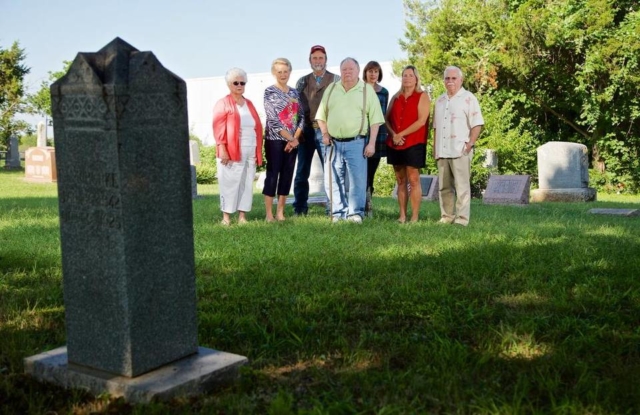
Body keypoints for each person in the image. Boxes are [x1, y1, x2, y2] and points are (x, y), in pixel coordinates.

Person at [315, 57, 385, 223]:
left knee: (358, 180)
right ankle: (337, 213)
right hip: (333, 143)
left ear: (358, 71)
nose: (347, 73)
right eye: (344, 70)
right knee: (332, 180)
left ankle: (355, 214)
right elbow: (321, 116)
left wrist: (372, 143)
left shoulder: (367, 91)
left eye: (350, 69)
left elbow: (375, 120)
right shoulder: (331, 89)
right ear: (340, 72)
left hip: (357, 142)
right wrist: (324, 134)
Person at [433, 65, 484, 226]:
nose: (450, 81)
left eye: (454, 78)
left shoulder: (469, 98)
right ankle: (447, 216)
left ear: (461, 80)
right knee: (444, 188)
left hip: (460, 150)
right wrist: (435, 150)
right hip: (442, 151)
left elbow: (477, 124)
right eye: (447, 78)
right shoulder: (440, 100)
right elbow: (435, 127)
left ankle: (462, 219)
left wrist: (470, 144)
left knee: (462, 187)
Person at [292, 45, 340, 216]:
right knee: (301, 171)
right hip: (306, 132)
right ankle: (299, 208)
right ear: (310, 61)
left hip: (325, 132)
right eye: (315, 58)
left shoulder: (336, 80)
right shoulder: (302, 81)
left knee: (330, 171)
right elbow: (295, 109)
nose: (318, 61)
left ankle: (332, 207)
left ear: (326, 60)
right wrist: (295, 133)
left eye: (321, 58)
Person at [212, 67, 264, 225]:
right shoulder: (223, 103)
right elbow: (218, 127)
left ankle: (242, 217)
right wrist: (222, 148)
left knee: (247, 182)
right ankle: (226, 217)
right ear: (229, 84)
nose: (240, 85)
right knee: (230, 181)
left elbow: (257, 126)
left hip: (251, 148)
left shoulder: (249, 103)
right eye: (236, 82)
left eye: (243, 82)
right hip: (233, 148)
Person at [385, 65, 431, 223]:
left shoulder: (422, 96)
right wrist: (393, 135)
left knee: (413, 179)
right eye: (404, 75)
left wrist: (401, 134)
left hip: (414, 142)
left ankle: (415, 216)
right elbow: (386, 119)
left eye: (410, 75)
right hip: (395, 144)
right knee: (400, 180)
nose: (407, 78)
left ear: (416, 78)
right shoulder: (396, 97)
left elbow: (421, 121)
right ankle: (402, 215)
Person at [263, 57, 304, 222]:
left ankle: (280, 212)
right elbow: (272, 119)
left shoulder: (295, 92)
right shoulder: (269, 92)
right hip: (275, 140)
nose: (283, 74)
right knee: (273, 174)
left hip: (293, 141)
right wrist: (290, 138)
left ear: (290, 72)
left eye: (285, 71)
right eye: (279, 71)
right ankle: (268, 214)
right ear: (274, 73)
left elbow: (301, 117)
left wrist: (295, 138)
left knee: (287, 175)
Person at [362, 61, 389, 217]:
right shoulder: (359, 89)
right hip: (360, 134)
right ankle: (359, 205)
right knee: (360, 173)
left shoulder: (383, 92)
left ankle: (368, 205)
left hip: (377, 135)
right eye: (370, 71)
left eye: (376, 72)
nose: (373, 74)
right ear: (365, 72)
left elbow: (382, 114)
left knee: (371, 173)